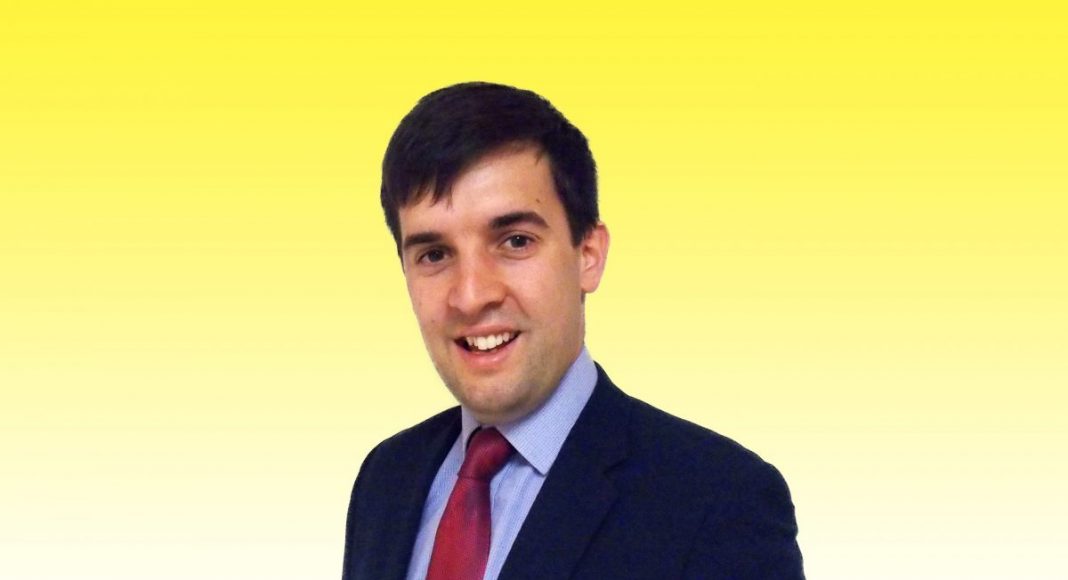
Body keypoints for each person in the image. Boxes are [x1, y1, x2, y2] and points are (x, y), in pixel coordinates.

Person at [342, 82, 805, 580]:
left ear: (588, 255)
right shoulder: (387, 478)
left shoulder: (720, 504)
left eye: (515, 241)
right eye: (434, 254)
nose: (471, 295)